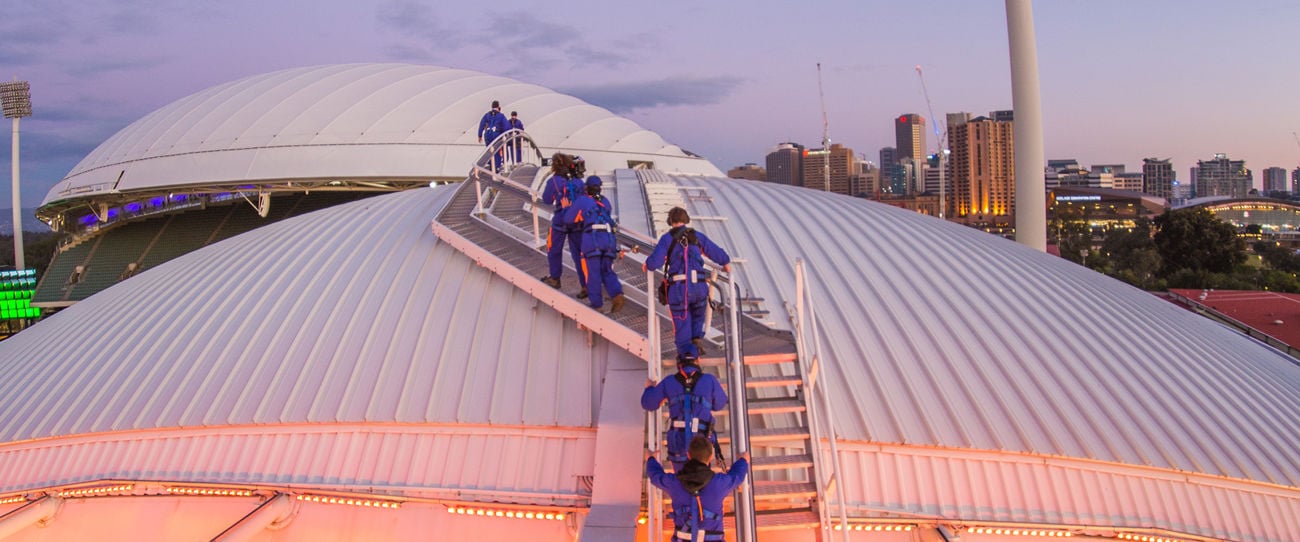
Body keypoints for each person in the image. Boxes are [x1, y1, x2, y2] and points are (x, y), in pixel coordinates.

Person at [642, 207, 732, 354]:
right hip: (700, 288)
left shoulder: (667, 239)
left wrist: (647, 264)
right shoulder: (697, 236)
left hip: (679, 290)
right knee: (698, 315)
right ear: (686, 220)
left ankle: (687, 359)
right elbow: (713, 250)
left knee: (682, 325)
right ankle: (696, 341)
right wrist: (726, 263)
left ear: (670, 221)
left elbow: (655, 262)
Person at [641, 345, 727, 471]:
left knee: (680, 482)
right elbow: (720, 404)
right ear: (697, 360)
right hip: (701, 445)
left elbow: (647, 403)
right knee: (701, 479)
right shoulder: (709, 380)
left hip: (678, 446)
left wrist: (649, 388)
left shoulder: (669, 382)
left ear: (678, 361)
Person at [646, 437, 749, 542]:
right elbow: (737, 476)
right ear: (710, 457)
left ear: (688, 455)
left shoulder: (674, 482)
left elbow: (656, 476)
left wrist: (650, 459)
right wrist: (743, 460)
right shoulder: (719, 483)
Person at [569, 176, 626, 313]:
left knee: (593, 273)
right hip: (609, 240)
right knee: (607, 270)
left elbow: (568, 219)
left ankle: (597, 304)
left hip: (592, 240)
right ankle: (617, 295)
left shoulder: (583, 201)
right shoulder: (605, 202)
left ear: (586, 188)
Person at [539, 153, 586, 295]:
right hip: (577, 222)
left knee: (554, 249)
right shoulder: (579, 182)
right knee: (579, 255)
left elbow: (547, 199)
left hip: (560, 221)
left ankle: (555, 278)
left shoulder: (554, 181)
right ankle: (586, 285)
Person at [477, 100, 510, 171]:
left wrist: (479, 135)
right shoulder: (501, 116)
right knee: (496, 151)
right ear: (498, 107)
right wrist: (505, 135)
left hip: (487, 135)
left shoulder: (487, 115)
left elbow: (481, 124)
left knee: (489, 151)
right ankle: (496, 167)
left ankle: (490, 164)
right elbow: (506, 127)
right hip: (496, 135)